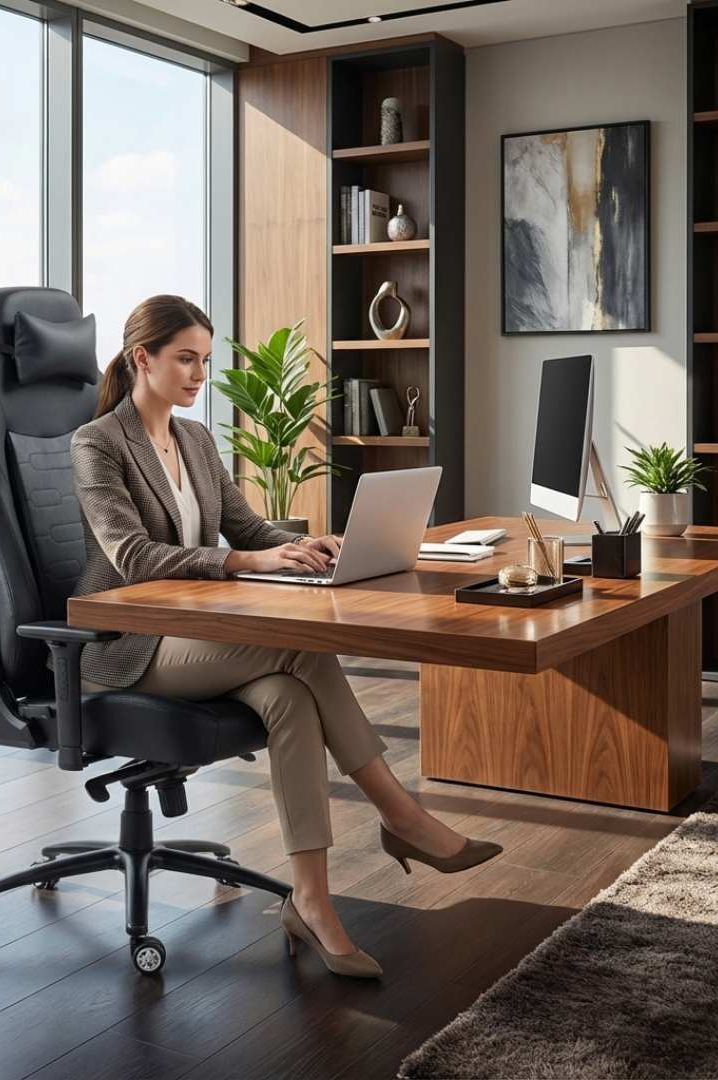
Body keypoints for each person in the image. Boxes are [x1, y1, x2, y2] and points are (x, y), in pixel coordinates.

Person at [70, 295, 501, 978]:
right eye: (186, 358)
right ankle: (401, 815)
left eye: (205, 361)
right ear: (140, 358)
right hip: (126, 648)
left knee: (288, 698)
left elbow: (248, 530)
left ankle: (312, 902)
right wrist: (248, 563)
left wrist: (313, 545)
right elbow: (133, 558)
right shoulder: (97, 444)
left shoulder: (196, 441)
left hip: (192, 637)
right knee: (301, 646)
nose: (199, 375)